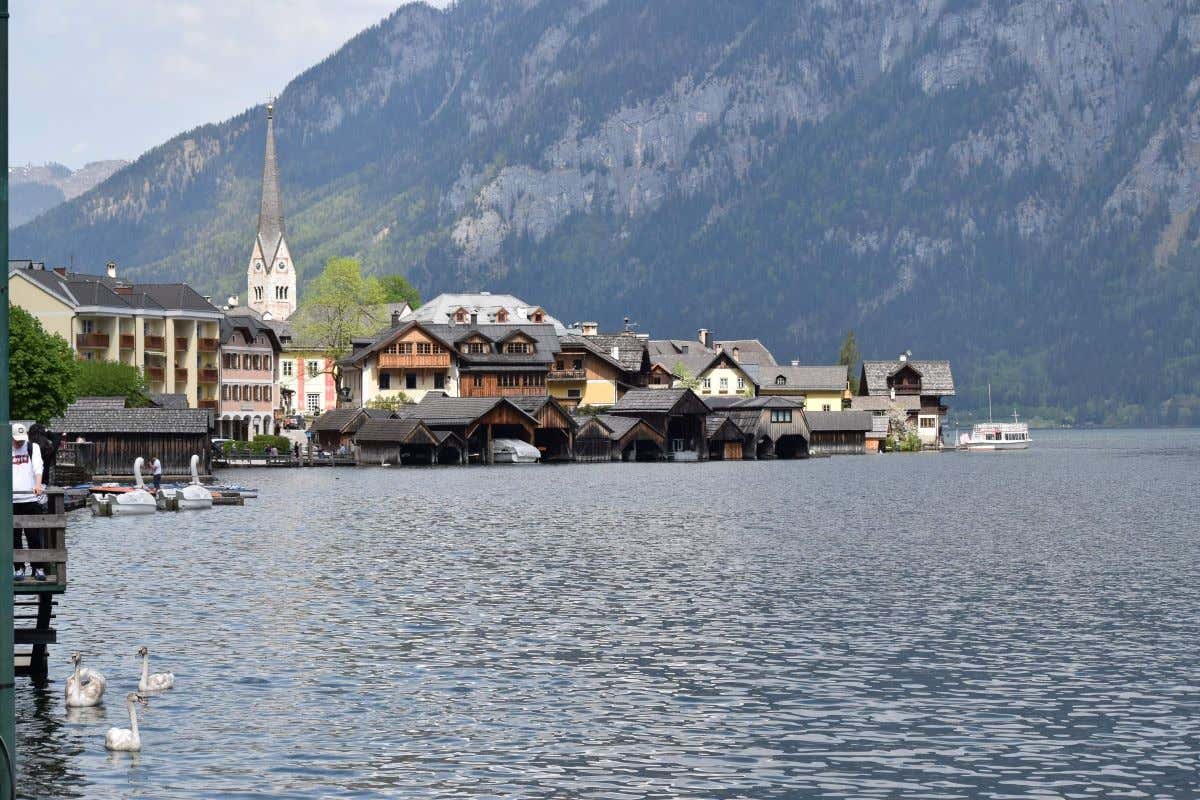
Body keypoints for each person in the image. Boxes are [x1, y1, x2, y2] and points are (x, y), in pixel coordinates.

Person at [12, 423, 46, 582]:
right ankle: (18, 568)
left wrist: (38, 485)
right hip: (11, 499)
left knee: (34, 536)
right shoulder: (6, 449)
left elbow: (38, 468)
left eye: (21, 439)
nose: (19, 443)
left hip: (30, 498)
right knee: (14, 537)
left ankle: (37, 567)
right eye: (16, 440)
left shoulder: (33, 448)